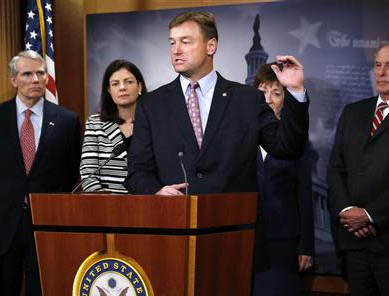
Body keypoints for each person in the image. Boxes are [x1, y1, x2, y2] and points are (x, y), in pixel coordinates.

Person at [125, 11, 309, 195]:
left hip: (233, 220)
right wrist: (156, 191)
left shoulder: (247, 99)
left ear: (211, 46)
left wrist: (295, 90)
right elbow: (137, 171)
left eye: (185, 41)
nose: (176, 50)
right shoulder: (151, 105)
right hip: (174, 218)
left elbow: (287, 147)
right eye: (172, 42)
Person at [0, 50, 81, 296]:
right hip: (2, 226)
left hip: (47, 224)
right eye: (27, 74)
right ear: (14, 80)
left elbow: (71, 172)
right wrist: (3, 197)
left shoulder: (67, 120)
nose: (35, 79)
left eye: (40, 73)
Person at [327, 43, 389, 296]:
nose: (381, 72)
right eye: (377, 65)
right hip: (355, 243)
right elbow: (336, 169)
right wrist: (348, 212)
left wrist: (370, 216)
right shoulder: (353, 112)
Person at [252, 63, 314, 296]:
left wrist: (306, 245)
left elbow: (304, 191)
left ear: (286, 99)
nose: (267, 99)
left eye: (276, 93)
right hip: (247, 240)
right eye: (262, 91)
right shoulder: (241, 135)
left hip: (283, 242)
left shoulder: (296, 139)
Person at [80, 59, 147, 193]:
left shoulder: (154, 122)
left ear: (139, 86)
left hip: (148, 204)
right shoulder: (95, 123)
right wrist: (108, 205)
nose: (122, 87)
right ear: (109, 90)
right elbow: (88, 176)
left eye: (128, 82)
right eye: (115, 84)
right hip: (107, 207)